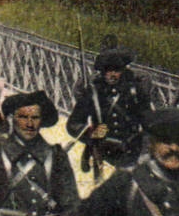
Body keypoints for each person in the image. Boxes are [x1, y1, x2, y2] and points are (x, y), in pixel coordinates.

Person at [65, 46, 154, 180]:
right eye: (108, 70)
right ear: (102, 72)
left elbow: (149, 122)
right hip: (102, 153)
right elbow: (73, 124)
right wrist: (91, 133)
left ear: (123, 70)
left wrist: (145, 150)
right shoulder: (93, 92)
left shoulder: (134, 91)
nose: (112, 74)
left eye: (117, 70)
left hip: (130, 152)